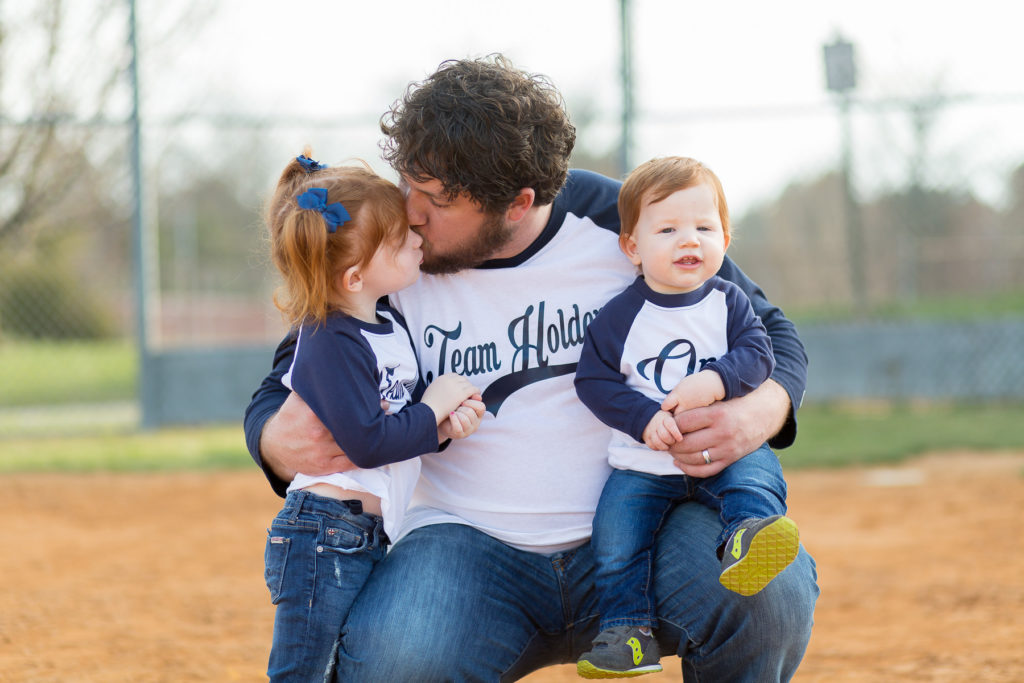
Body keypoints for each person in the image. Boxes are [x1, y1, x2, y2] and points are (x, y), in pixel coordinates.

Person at [245, 55, 818, 681]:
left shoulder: (620, 223)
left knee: (768, 592)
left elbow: (773, 333)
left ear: (517, 203)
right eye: (408, 182)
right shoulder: (389, 251)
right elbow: (282, 388)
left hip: (643, 518)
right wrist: (274, 440)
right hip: (465, 543)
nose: (409, 211)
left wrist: (762, 409)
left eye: (434, 199)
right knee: (397, 660)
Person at [258, 151, 484, 682]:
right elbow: (366, 442)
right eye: (400, 238)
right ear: (356, 276)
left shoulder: (381, 325)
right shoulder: (326, 338)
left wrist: (441, 427)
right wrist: (431, 411)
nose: (416, 239)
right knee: (303, 673)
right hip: (323, 533)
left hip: (362, 532)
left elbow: (394, 422)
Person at [573, 156, 800, 678]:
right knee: (617, 538)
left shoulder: (729, 302)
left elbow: (760, 353)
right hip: (642, 462)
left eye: (705, 227)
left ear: (725, 237)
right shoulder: (621, 316)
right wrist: (642, 419)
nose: (689, 241)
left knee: (756, 474)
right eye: (669, 229)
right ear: (632, 247)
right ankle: (627, 633)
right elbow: (595, 382)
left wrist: (718, 380)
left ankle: (748, 535)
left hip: (720, 454)